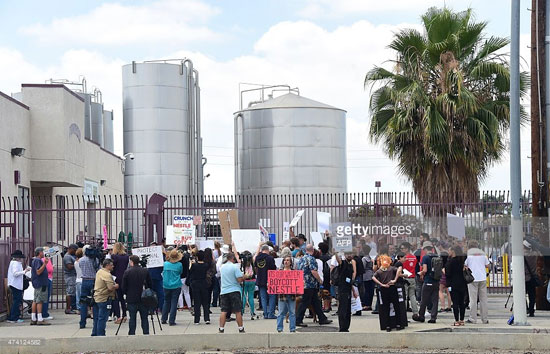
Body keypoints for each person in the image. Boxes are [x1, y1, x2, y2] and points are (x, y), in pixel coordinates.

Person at [296, 244, 333, 327]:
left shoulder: (301, 259)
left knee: (315, 301)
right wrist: (319, 280)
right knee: (305, 302)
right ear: (312, 250)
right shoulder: (312, 259)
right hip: (310, 284)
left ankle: (322, 318)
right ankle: (298, 319)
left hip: (302, 283)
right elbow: (313, 271)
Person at [123, 255, 152, 335]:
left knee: (132, 318)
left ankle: (132, 333)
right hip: (143, 298)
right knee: (144, 318)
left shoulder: (127, 272)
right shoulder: (145, 271)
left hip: (131, 297)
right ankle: (146, 333)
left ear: (131, 262)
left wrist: (126, 293)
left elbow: (124, 286)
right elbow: (150, 284)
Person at [372, 254, 402, 332]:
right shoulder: (392, 268)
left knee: (386, 307)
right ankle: (398, 324)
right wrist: (395, 280)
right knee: (396, 306)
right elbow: (399, 269)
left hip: (384, 288)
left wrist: (381, 284)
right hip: (392, 287)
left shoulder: (380, 270)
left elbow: (373, 277)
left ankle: (388, 325)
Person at [218, 251, 245, 333]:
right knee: (237, 311)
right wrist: (245, 276)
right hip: (234, 290)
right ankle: (240, 328)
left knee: (224, 311)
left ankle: (221, 328)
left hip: (224, 290)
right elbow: (239, 279)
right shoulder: (234, 267)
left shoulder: (222, 267)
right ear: (233, 259)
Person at [412, 243, 439, 323]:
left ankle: (421, 316)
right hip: (436, 281)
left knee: (424, 300)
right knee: (435, 300)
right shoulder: (437, 257)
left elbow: (425, 270)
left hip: (428, 281)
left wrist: (420, 273)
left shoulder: (425, 257)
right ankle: (433, 317)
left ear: (425, 249)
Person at [465, 240, 489, 324]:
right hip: (482, 278)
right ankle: (485, 319)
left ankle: (473, 318)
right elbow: (487, 265)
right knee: (483, 299)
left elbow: (465, 266)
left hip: (472, 279)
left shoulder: (468, 255)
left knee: (473, 299)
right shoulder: (482, 254)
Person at [92, 259, 118, 336]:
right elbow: (110, 288)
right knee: (102, 318)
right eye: (111, 265)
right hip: (104, 298)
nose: (113, 266)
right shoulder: (107, 275)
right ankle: (101, 334)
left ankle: (95, 333)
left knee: (96, 318)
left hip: (97, 297)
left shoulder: (99, 272)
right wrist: (115, 286)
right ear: (107, 265)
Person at [254, 244, 277, 319]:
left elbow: (256, 267)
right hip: (269, 279)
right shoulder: (270, 258)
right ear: (267, 250)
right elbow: (273, 269)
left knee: (263, 297)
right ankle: (271, 313)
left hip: (260, 279)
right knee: (272, 296)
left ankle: (265, 314)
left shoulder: (257, 258)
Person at [445, 245, 467, 326]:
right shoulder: (462, 260)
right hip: (462, 284)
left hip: (453, 284)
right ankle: (462, 320)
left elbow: (448, 273)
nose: (448, 252)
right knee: (462, 303)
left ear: (453, 251)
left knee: (455, 303)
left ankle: (456, 320)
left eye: (449, 250)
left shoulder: (450, 261)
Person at [7, 250, 30, 323]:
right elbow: (15, 273)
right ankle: (14, 317)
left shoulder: (13, 263)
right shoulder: (15, 264)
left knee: (16, 301)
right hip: (15, 284)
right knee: (17, 301)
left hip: (15, 284)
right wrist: (24, 271)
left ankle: (14, 316)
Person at [335, 252, 356, 332]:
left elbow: (350, 279)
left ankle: (346, 326)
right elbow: (338, 261)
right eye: (348, 254)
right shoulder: (343, 263)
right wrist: (335, 253)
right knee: (342, 309)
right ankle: (342, 327)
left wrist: (353, 290)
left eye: (351, 254)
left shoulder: (351, 265)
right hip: (342, 290)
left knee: (348, 309)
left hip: (348, 289)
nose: (349, 255)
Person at [188, 250, 211, 324]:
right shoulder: (206, 265)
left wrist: (191, 263)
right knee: (205, 302)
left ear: (197, 257)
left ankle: (197, 319)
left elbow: (190, 272)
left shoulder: (194, 265)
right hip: (204, 283)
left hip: (195, 284)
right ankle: (207, 318)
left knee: (197, 302)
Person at [161, 249, 183, 326]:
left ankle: (164, 318)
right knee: (174, 302)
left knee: (166, 301)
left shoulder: (165, 264)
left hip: (166, 284)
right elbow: (180, 272)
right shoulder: (179, 265)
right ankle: (171, 320)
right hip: (176, 285)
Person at [30, 247, 51, 325]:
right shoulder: (38, 260)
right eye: (42, 252)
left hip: (37, 283)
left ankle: (33, 318)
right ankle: (39, 318)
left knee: (35, 300)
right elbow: (38, 271)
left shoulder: (35, 260)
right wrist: (45, 264)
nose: (43, 253)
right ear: (39, 253)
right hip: (41, 283)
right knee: (40, 300)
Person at [79, 245, 98, 329]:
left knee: (83, 302)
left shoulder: (81, 260)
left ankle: (82, 322)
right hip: (93, 280)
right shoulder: (95, 260)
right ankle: (95, 322)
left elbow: (80, 267)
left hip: (84, 280)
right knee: (94, 302)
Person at [276, 256, 297, 333]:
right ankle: (279, 328)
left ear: (291, 262)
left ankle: (292, 328)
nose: (286, 262)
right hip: (282, 295)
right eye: (285, 260)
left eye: (288, 260)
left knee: (292, 312)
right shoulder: (279, 272)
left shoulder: (294, 272)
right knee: (281, 312)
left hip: (292, 295)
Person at [110, 242, 129, 324]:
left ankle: (118, 315)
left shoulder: (114, 256)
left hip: (116, 278)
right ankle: (124, 314)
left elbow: (112, 268)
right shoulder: (126, 256)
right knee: (122, 299)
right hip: (125, 277)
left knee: (116, 298)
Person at [399, 242, 418, 316]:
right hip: (412, 277)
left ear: (407, 249)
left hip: (405, 277)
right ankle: (415, 312)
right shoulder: (414, 257)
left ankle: (403, 313)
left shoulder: (404, 258)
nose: (401, 250)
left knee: (404, 296)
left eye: (403, 248)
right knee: (412, 296)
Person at [148, 241, 165, 313]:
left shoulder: (161, 256)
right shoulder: (147, 257)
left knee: (161, 294)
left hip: (158, 277)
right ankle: (152, 309)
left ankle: (161, 308)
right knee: (150, 295)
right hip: (150, 277)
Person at [523, 240, 539, 317]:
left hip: (525, 278)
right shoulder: (535, 254)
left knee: (522, 295)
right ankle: (532, 311)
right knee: (532, 296)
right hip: (533, 278)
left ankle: (526, 309)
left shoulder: (522, 255)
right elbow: (538, 251)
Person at [241, 251, 256, 320]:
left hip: (244, 281)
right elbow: (256, 254)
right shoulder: (252, 263)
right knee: (251, 297)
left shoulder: (242, 264)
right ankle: (252, 313)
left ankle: (241, 312)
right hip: (252, 280)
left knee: (243, 296)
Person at [318, 242, 333, 312]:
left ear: (320, 250)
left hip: (323, 276)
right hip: (329, 276)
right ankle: (329, 305)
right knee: (328, 291)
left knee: (323, 292)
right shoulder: (329, 257)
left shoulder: (320, 258)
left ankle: (326, 306)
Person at [177, 245, 192, 311]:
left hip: (178, 277)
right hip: (185, 277)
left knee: (180, 293)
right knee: (186, 292)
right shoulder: (186, 258)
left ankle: (181, 306)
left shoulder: (178, 261)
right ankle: (189, 306)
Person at [41, 247, 54, 320]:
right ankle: (44, 313)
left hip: (48, 278)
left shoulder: (45, 259)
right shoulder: (45, 259)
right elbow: (49, 269)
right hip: (47, 278)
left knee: (45, 296)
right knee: (46, 296)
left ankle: (44, 312)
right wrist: (52, 268)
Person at [361, 245, 375, 311]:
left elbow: (362, 267)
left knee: (366, 290)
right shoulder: (371, 258)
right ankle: (369, 304)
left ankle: (366, 304)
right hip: (372, 274)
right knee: (371, 291)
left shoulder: (364, 259)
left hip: (366, 275)